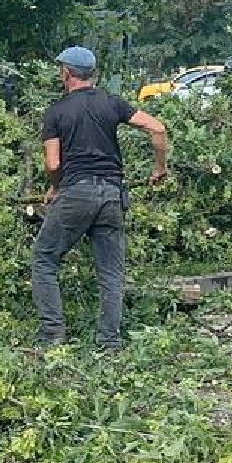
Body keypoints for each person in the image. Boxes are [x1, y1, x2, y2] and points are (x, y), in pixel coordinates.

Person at [31, 46, 169, 350]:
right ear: (92, 74)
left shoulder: (57, 112)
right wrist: (159, 168)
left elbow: (53, 163)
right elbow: (157, 129)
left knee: (44, 259)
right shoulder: (112, 102)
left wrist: (56, 187)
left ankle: (52, 335)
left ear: (66, 73)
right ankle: (109, 342)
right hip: (111, 194)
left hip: (76, 192)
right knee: (110, 271)